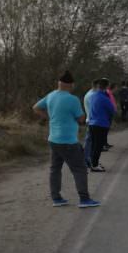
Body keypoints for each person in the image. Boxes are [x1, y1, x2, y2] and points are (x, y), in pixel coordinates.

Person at [33, 71, 99, 208]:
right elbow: (81, 118)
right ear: (71, 85)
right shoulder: (72, 99)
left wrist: (49, 117)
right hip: (68, 140)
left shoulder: (50, 95)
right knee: (79, 169)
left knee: (55, 169)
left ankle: (56, 198)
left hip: (53, 139)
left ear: (59, 83)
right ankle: (84, 199)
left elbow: (36, 108)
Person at [87, 79, 117, 172]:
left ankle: (92, 162)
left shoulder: (92, 96)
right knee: (98, 146)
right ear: (106, 86)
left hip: (92, 123)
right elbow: (113, 110)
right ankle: (95, 165)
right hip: (101, 124)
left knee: (93, 144)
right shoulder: (104, 98)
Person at [83, 79, 101, 167]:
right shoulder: (92, 95)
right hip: (92, 120)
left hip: (90, 119)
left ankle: (88, 159)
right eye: (100, 86)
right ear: (96, 85)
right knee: (90, 141)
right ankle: (86, 160)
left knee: (90, 141)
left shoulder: (89, 93)